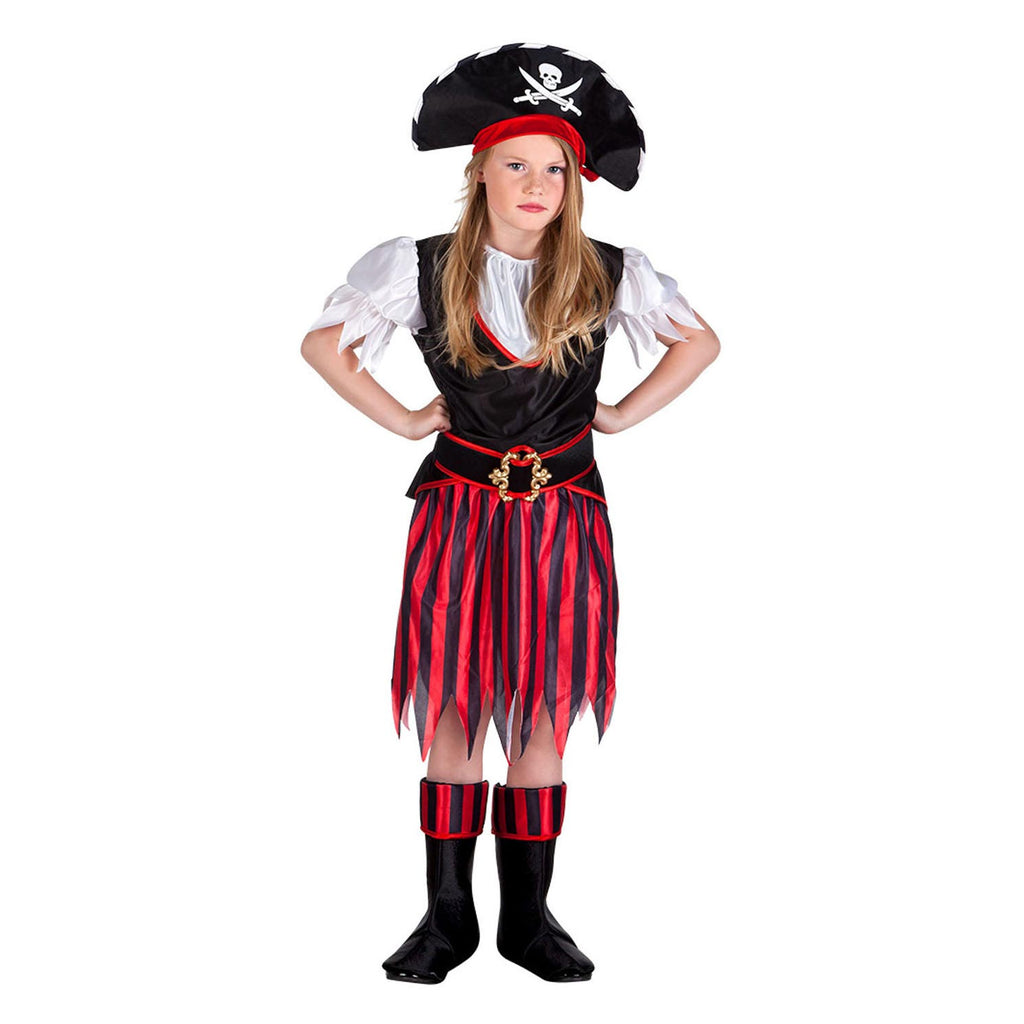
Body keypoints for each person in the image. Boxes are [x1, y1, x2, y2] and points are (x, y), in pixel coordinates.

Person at [301, 44, 720, 984]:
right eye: (517, 164)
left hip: (564, 521)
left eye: (555, 168)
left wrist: (620, 414)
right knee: (452, 706)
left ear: (576, 184)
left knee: (540, 711)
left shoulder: (608, 272)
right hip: (457, 516)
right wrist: (405, 419)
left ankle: (528, 921)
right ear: (479, 172)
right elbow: (325, 345)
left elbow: (699, 343)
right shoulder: (421, 267)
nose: (536, 185)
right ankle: (446, 919)